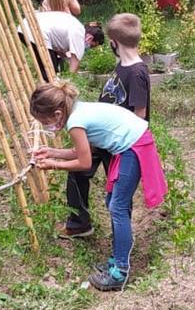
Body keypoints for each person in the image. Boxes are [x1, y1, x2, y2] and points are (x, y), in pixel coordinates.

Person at [30, 80, 167, 291]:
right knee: (113, 202)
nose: (45, 126)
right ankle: (117, 258)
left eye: (44, 121)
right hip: (132, 143)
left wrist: (53, 165)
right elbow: (82, 152)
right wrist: (52, 152)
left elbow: (84, 163)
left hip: (133, 146)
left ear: (57, 114)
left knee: (117, 206)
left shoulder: (75, 123)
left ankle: (120, 271)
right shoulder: (77, 109)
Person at [58, 13, 152, 240]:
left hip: (118, 143)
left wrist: (119, 144)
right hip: (101, 137)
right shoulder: (122, 66)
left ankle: (121, 229)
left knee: (118, 190)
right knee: (78, 172)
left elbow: (140, 115)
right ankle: (79, 223)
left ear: (114, 42)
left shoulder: (137, 72)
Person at [18, 11, 104, 77]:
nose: (89, 48)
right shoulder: (79, 34)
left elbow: (58, 47)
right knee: (50, 72)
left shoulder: (76, 26)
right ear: (90, 38)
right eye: (92, 45)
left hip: (25, 27)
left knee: (49, 69)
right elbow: (75, 63)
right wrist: (71, 80)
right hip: (35, 30)